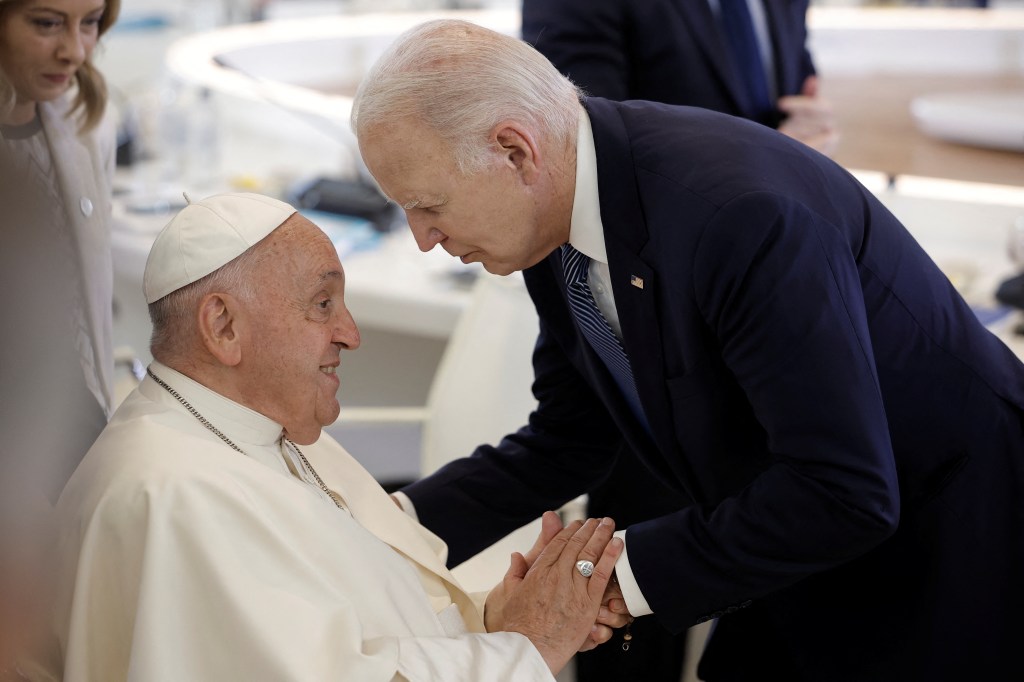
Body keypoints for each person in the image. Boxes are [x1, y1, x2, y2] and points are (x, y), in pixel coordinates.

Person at [351, 19, 1024, 682]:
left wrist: (611, 582)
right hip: (795, 533)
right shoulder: (550, 215)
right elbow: (571, 436)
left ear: (514, 151)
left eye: (427, 204)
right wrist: (380, 534)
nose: (422, 239)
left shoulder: (738, 215)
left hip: (947, 546)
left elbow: (844, 490)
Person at [49, 191, 627, 681]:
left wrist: (488, 619)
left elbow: (365, 637)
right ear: (223, 325)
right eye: (322, 304)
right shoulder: (172, 496)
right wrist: (524, 647)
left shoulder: (262, 427)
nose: (350, 334)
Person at [520, 1, 837, 677]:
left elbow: (792, 95)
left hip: (761, 330)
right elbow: (583, 139)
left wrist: (800, 139)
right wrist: (771, 157)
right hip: (653, 323)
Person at [0, 1, 120, 678]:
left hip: (72, 406)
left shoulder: (81, 118)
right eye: (46, 23)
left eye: (91, 22)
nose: (74, 49)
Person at [522, 0, 838, 156]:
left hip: (783, 241)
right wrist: (773, 161)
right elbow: (586, 145)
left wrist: (812, 129)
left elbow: (798, 85)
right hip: (662, 259)